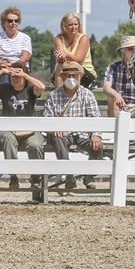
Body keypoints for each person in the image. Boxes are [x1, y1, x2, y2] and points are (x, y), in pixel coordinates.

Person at [0, 61, 46, 191]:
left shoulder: (30, 90)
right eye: (13, 76)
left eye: (18, 76)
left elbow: (42, 87)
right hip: (8, 129)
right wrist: (2, 71)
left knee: (35, 144)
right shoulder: (5, 89)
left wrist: (25, 75)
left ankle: (35, 177)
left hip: (29, 130)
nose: (15, 79)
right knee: (7, 138)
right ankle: (13, 175)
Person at [42, 61, 103, 192]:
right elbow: (47, 118)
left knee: (98, 145)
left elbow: (95, 117)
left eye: (75, 75)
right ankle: (68, 173)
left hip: (83, 134)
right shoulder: (53, 96)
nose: (71, 78)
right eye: (68, 75)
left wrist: (95, 134)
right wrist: (55, 129)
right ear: (62, 77)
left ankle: (89, 176)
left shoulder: (87, 94)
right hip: (63, 135)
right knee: (58, 139)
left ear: (79, 77)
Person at [52, 12, 97, 88]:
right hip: (65, 72)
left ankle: (76, 97)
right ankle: (58, 96)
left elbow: (78, 60)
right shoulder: (58, 38)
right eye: (70, 25)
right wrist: (61, 58)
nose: (73, 27)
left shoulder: (84, 38)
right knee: (60, 66)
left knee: (74, 65)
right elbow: (60, 60)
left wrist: (66, 54)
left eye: (75, 24)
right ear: (64, 26)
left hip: (84, 73)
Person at [0, 6, 32, 84]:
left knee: (14, 76)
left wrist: (13, 66)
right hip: (1, 69)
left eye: (16, 21)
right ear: (3, 22)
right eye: (10, 21)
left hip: (19, 69)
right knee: (5, 77)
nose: (13, 23)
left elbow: (25, 57)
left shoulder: (25, 38)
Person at [103, 35, 135, 118]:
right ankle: (114, 129)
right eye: (130, 49)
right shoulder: (112, 67)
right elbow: (106, 88)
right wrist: (116, 95)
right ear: (122, 51)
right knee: (111, 98)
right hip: (119, 106)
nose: (134, 51)